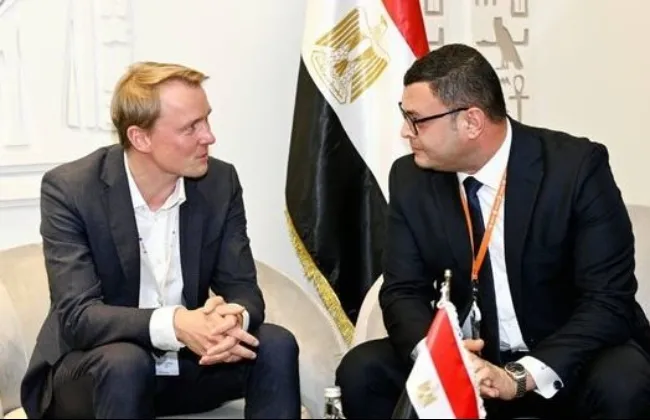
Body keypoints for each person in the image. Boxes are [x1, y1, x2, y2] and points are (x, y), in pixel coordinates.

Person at [336, 43, 650, 418]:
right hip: (470, 362)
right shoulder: (411, 178)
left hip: (563, 360)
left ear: (471, 121)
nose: (406, 132)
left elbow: (608, 300)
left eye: (417, 120)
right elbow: (402, 290)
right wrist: (441, 358)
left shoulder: (575, 168)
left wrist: (519, 376)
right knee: (363, 371)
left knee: (624, 381)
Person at [20, 61, 301, 419]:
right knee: (126, 362)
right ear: (141, 138)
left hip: (186, 368)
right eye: (190, 127)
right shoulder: (72, 189)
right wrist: (177, 324)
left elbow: (244, 289)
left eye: (206, 120)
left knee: (275, 344)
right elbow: (79, 317)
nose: (209, 137)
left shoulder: (219, 182)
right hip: (96, 372)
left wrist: (231, 321)